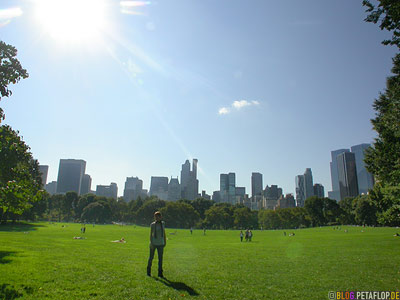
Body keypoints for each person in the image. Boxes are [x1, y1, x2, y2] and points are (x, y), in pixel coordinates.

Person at [147, 211, 166, 278]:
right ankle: (148, 272)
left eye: (158, 216)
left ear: (161, 217)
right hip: (153, 243)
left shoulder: (163, 224)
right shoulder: (152, 224)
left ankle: (160, 273)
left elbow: (164, 233)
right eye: (156, 217)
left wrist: (165, 242)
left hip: (161, 243)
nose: (157, 218)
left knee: (160, 259)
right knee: (151, 258)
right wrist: (151, 243)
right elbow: (151, 234)